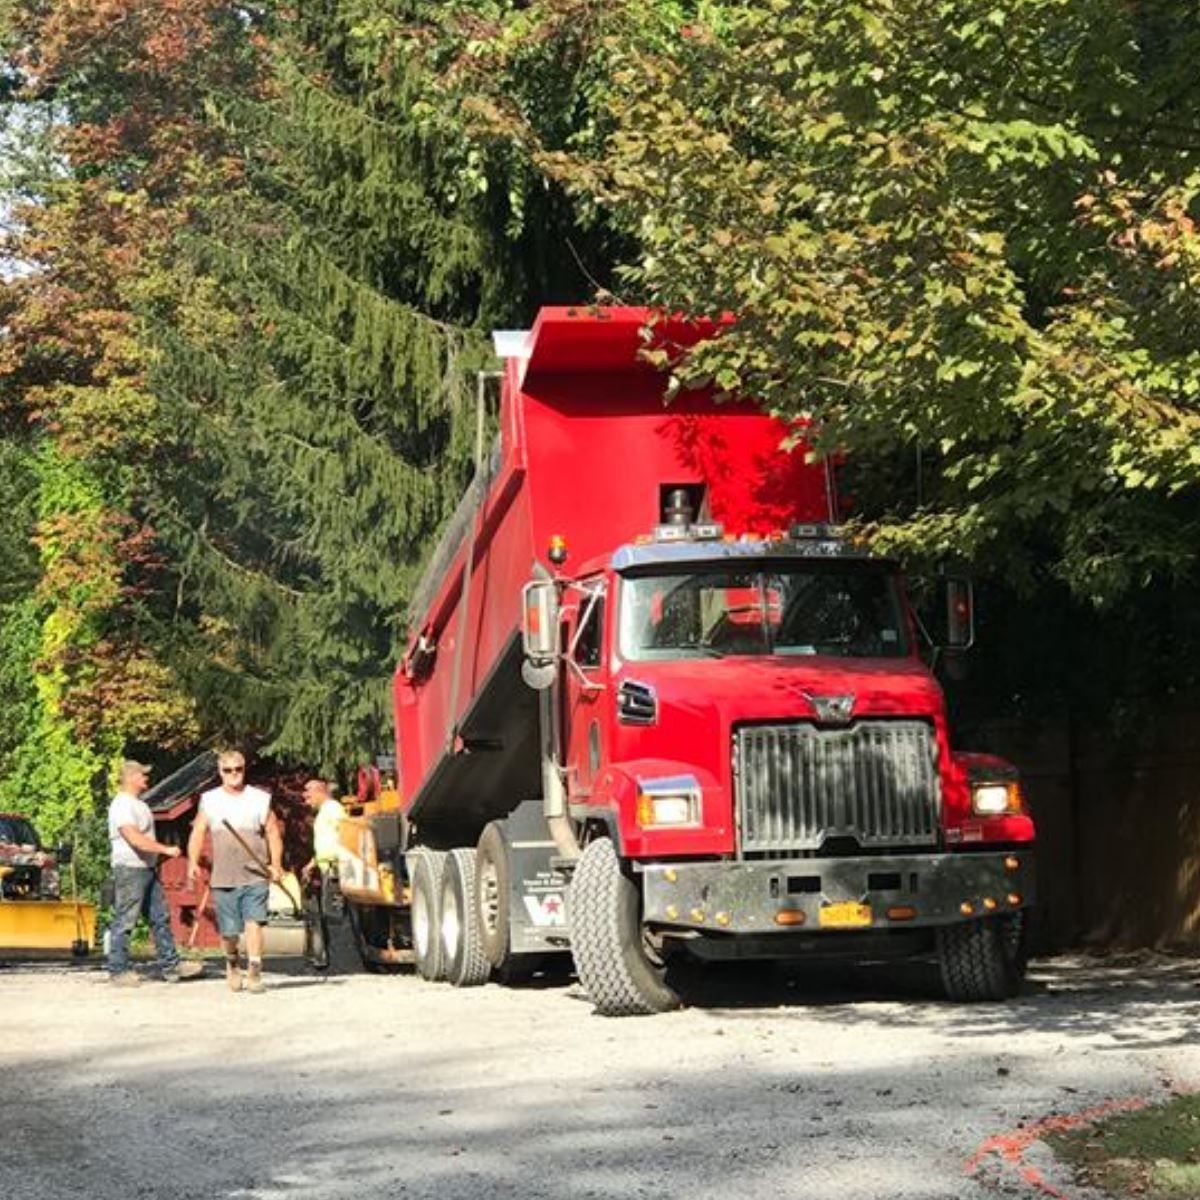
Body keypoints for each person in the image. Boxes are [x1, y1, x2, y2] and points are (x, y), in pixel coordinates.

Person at [187, 750, 282, 994]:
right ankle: (232, 963)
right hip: (224, 875)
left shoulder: (259, 798)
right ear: (220, 772)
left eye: (238, 769)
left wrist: (276, 864)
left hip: (255, 872)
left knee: (254, 922)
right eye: (228, 770)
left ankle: (255, 970)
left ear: (244, 769)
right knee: (229, 932)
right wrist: (192, 863)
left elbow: (272, 831)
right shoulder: (210, 800)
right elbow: (198, 831)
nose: (234, 774)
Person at [106, 760, 204, 987]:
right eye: (143, 775)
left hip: (147, 868)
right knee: (125, 919)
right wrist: (164, 849)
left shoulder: (140, 805)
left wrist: (158, 855)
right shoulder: (122, 805)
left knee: (160, 918)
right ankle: (118, 970)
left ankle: (171, 966)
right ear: (130, 777)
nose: (147, 779)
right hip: (130, 869)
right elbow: (133, 838)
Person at [300, 778, 346, 971]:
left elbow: (344, 834)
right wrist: (312, 863)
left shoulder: (333, 809)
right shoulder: (323, 813)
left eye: (308, 793)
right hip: (326, 866)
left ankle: (341, 959)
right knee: (326, 913)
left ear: (320, 791)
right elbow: (326, 843)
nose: (305, 798)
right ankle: (325, 957)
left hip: (337, 868)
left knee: (334, 915)